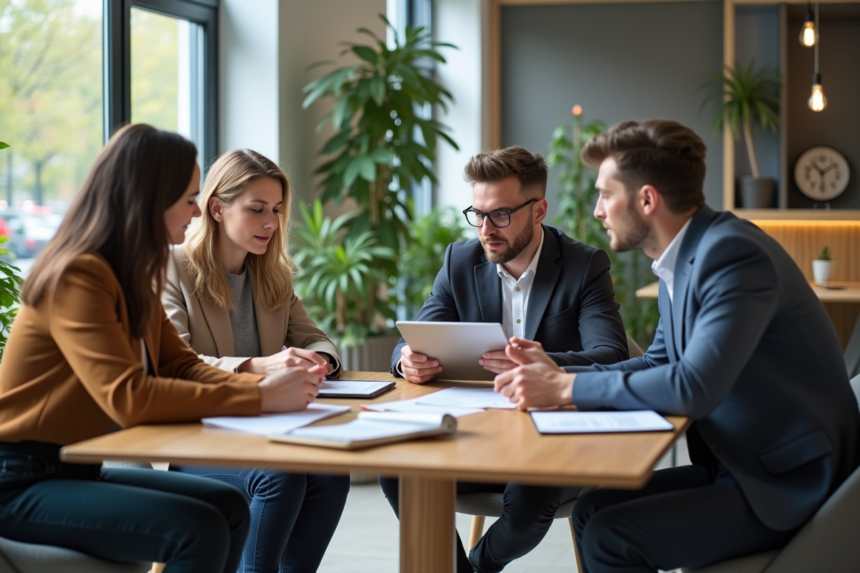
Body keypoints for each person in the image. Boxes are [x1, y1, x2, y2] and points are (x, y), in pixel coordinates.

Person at [493, 119, 860, 573]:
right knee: (592, 511)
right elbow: (658, 362)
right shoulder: (683, 258)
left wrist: (563, 391)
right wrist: (560, 374)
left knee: (612, 535)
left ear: (647, 199)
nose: (597, 211)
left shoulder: (732, 255)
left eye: (606, 195)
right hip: (741, 463)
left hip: (791, 479)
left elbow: (695, 387)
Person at [0, 124, 328, 573]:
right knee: (200, 527)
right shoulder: (80, 274)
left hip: (75, 469)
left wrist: (269, 386)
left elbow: (180, 365)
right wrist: (259, 396)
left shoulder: (130, 273)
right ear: (150, 198)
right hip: (19, 479)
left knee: (228, 507)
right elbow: (129, 397)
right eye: (190, 198)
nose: (197, 212)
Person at [381, 146, 629, 573]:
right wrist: (407, 360)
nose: (485, 228)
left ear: (539, 210)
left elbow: (611, 355)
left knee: (529, 497)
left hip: (553, 438)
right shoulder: (460, 260)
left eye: (500, 214)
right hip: (478, 433)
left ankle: (477, 567)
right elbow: (415, 337)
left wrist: (540, 367)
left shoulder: (583, 265)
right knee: (399, 469)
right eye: (477, 213)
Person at [162, 148, 349, 573]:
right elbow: (176, 361)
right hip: (195, 437)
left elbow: (317, 339)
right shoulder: (172, 267)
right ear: (216, 208)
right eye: (257, 209)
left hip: (260, 430)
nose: (271, 223)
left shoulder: (271, 273)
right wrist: (256, 366)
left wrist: (316, 361)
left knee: (330, 474)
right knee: (281, 477)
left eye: (278, 210)